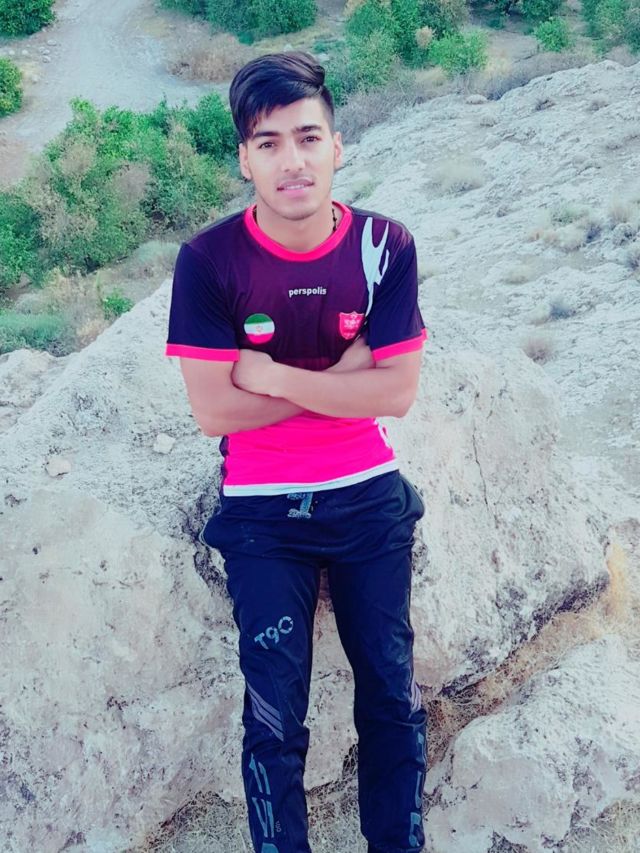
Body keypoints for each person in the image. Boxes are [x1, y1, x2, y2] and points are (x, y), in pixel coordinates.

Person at [165, 50, 429, 853]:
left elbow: (395, 392)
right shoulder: (209, 261)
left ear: (337, 146)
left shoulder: (385, 246)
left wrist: (275, 376)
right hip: (262, 514)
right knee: (275, 720)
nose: (293, 161)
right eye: (269, 143)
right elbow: (214, 411)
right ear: (244, 159)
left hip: (367, 497)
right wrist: (343, 376)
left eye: (309, 137)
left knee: (391, 699)